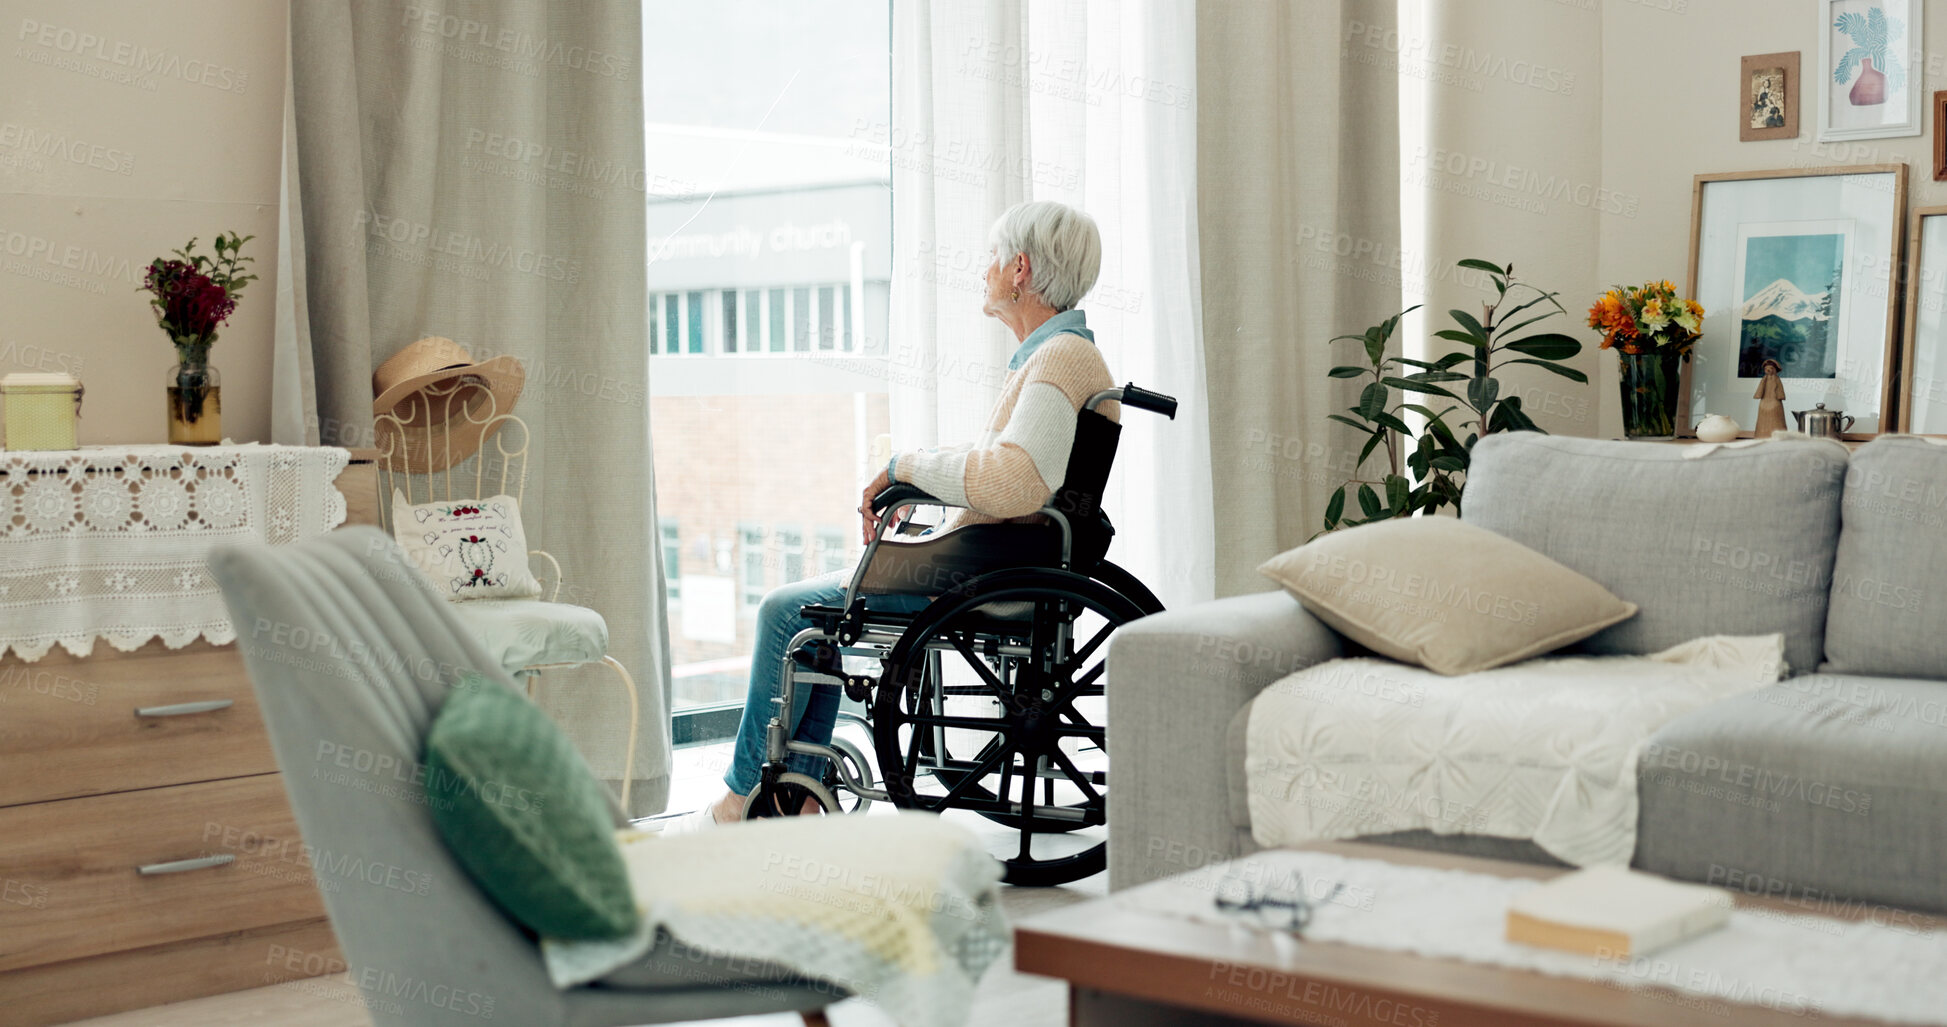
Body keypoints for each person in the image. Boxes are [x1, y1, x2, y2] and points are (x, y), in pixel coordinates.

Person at [693, 200, 1117, 826]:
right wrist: (917, 479)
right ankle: (796, 794)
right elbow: (1008, 472)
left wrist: (904, 469)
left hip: (987, 577)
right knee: (814, 613)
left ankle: (742, 800)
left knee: (786, 612)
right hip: (996, 563)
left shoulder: (1058, 360)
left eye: (993, 259)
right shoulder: (1060, 356)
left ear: (1020, 268)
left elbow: (1015, 481)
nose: (985, 270)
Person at [1754, 358, 1787, 438]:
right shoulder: (1764, 380)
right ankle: (1761, 434)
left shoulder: (1777, 380)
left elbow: (1780, 391)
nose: (1768, 370)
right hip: (1764, 401)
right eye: (1766, 369)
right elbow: (1760, 390)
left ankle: (1779, 435)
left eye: (1771, 368)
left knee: (1776, 418)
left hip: (1775, 402)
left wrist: (1780, 396)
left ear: (1775, 370)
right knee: (1763, 419)